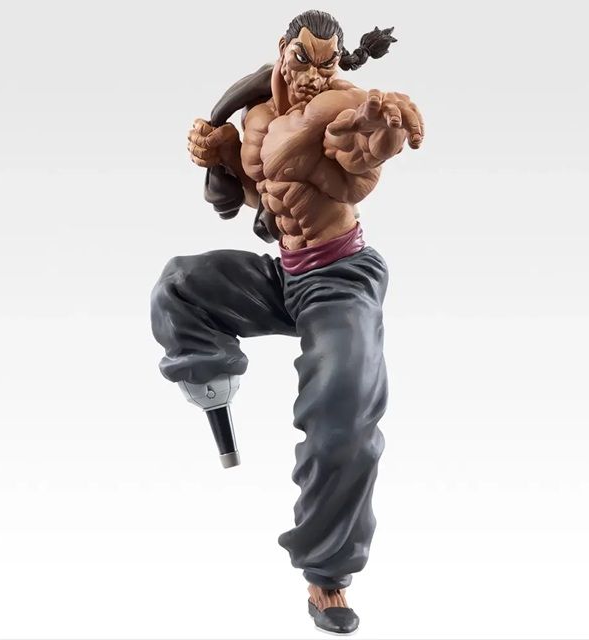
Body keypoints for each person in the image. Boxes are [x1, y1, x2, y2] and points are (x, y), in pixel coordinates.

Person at [150, 9, 424, 634]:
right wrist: (220, 154)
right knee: (180, 285)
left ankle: (328, 574)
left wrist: (378, 131)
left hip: (340, 279)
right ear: (282, 51)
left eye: (327, 64)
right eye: (303, 60)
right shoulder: (258, 116)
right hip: (287, 275)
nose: (314, 76)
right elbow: (257, 196)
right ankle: (215, 397)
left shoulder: (339, 106)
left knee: (344, 414)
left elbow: (357, 156)